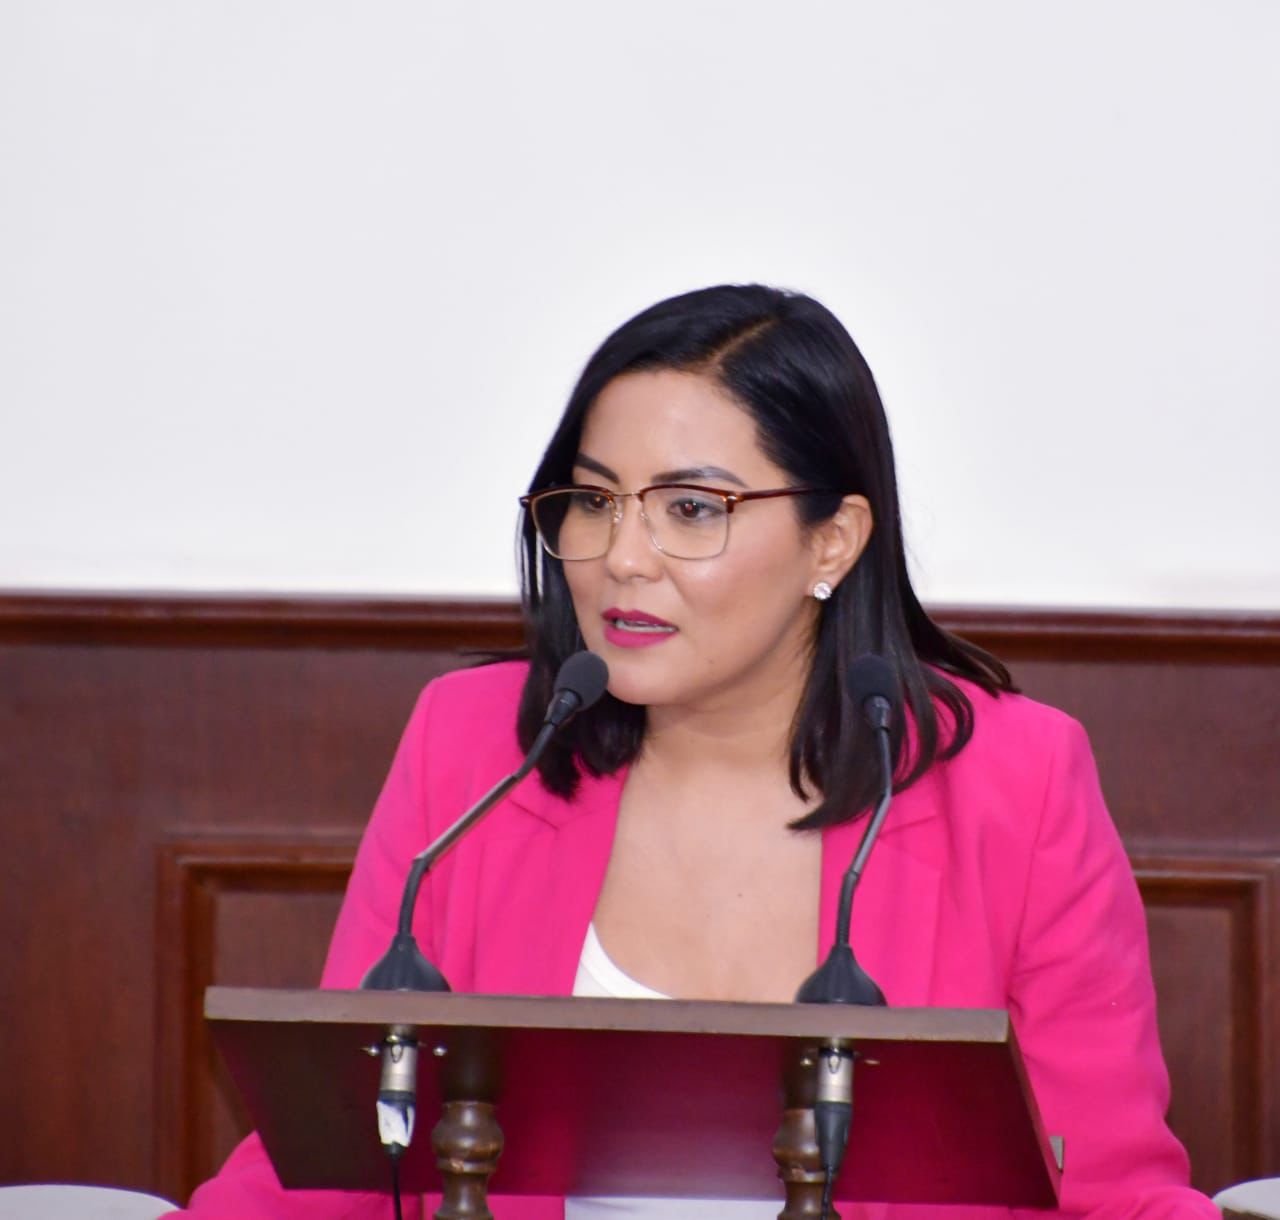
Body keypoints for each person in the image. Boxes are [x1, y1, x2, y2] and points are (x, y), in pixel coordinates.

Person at [177, 285, 1217, 1219]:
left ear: (832, 540)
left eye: (690, 508)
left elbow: (1107, 1187)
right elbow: (342, 1156)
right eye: (594, 500)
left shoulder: (1013, 782)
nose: (622, 558)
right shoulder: (473, 748)